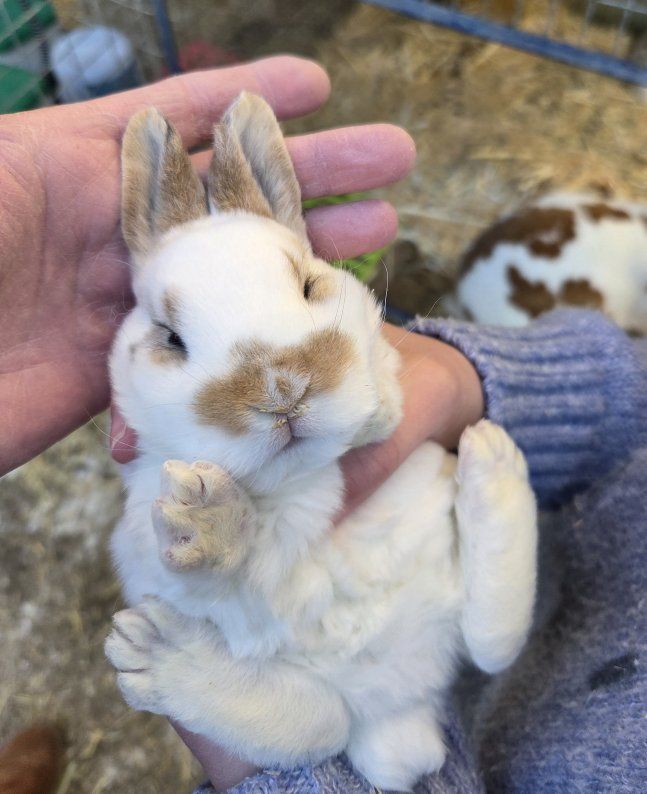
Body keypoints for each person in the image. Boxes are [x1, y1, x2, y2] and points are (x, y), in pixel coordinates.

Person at [1, 57, 645, 793]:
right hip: (314, 656)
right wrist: (462, 382)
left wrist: (386, 404)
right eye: (175, 340)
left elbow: (387, 404)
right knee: (312, 703)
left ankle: (473, 562)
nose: (280, 391)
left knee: (488, 635)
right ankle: (250, 673)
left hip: (427, 615)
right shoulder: (166, 414)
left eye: (307, 289)